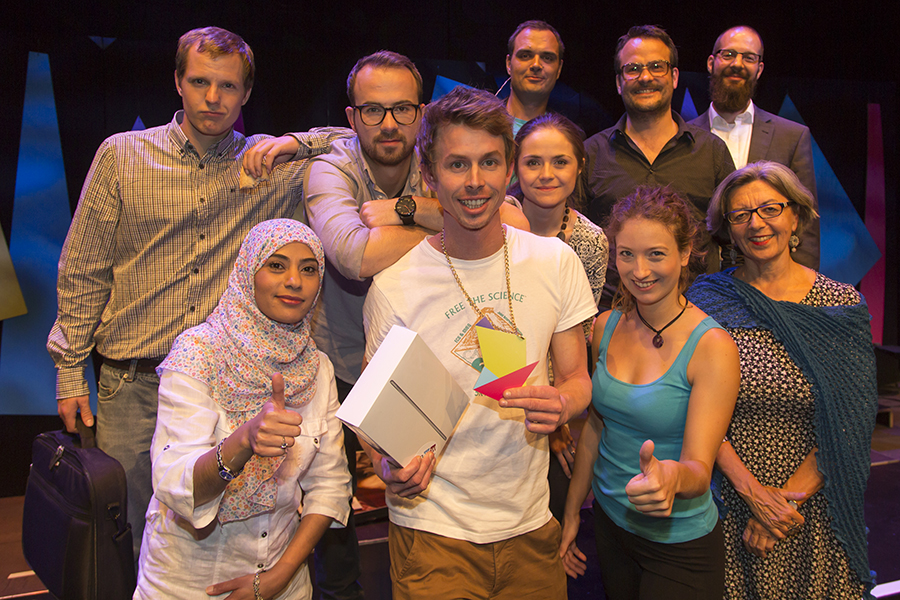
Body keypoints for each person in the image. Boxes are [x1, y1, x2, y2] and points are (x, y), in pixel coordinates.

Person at [46, 26, 348, 562]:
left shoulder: (271, 165)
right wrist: (69, 370)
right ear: (178, 83)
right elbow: (84, 270)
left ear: (246, 92)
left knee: (224, 536)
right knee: (134, 538)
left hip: (222, 382)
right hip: (133, 384)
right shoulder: (122, 156)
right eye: (200, 82)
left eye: (228, 86)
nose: (213, 98)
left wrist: (292, 143)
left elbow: (353, 138)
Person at [362, 86, 596, 599]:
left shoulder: (556, 262)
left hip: (531, 527)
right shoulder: (394, 288)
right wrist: (386, 467)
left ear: (509, 169)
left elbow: (578, 380)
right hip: (432, 533)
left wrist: (562, 404)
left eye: (489, 162)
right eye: (457, 165)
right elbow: (375, 423)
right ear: (429, 176)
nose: (475, 182)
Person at [686, 161, 877, 599]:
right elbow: (689, 402)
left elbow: (852, 419)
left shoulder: (839, 305)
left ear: (796, 217)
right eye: (740, 215)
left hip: (813, 510)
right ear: (728, 230)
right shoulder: (704, 300)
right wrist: (752, 494)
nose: (756, 224)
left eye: (770, 209)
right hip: (727, 501)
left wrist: (782, 506)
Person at [134, 219, 351, 600]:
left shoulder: (318, 368)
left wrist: (278, 577)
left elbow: (330, 486)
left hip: (283, 584)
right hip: (188, 584)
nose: (295, 281)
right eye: (277, 265)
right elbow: (173, 482)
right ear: (247, 273)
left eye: (309, 269)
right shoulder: (200, 353)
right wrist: (243, 442)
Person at [560, 186, 740, 599]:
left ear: (685, 252)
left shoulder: (712, 346)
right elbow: (596, 430)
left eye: (655, 254)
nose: (639, 270)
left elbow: (699, 468)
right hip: (610, 526)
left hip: (678, 545)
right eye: (627, 254)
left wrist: (671, 477)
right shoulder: (605, 326)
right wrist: (572, 513)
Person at [584, 25, 735, 305]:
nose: (645, 77)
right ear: (619, 82)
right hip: (611, 315)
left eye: (657, 66)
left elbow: (733, 240)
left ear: (674, 76)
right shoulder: (591, 153)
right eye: (633, 69)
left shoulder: (712, 152)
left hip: (699, 314)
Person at [513, 112, 608, 521]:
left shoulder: (589, 241)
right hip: (490, 382)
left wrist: (555, 413)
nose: (546, 174)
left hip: (552, 397)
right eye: (533, 162)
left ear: (579, 166)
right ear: (514, 166)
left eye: (560, 161)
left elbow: (576, 335)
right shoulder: (489, 223)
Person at [690, 26, 819, 270]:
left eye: (748, 57)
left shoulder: (792, 136)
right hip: (701, 280)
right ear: (711, 63)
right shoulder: (683, 137)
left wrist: (802, 289)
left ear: (759, 69)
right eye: (728, 54)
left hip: (771, 278)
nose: (737, 64)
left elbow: (806, 227)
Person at [504, 20, 565, 135]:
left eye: (547, 58)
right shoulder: (478, 124)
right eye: (525, 56)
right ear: (508, 64)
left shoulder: (570, 136)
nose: (536, 65)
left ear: (559, 69)